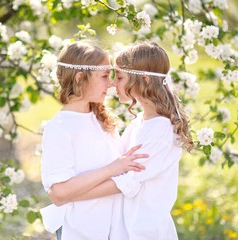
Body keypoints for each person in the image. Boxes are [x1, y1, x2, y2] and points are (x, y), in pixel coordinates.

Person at [69, 42, 194, 239]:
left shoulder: (160, 130)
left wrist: (72, 194)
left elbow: (127, 181)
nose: (112, 84)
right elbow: (115, 162)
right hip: (123, 228)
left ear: (143, 79)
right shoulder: (139, 123)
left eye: (119, 77)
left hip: (143, 231)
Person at [40, 41, 148, 240]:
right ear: (80, 78)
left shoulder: (101, 119)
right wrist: (112, 169)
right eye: (105, 76)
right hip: (79, 231)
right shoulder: (59, 128)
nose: (111, 84)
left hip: (112, 230)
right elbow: (58, 193)